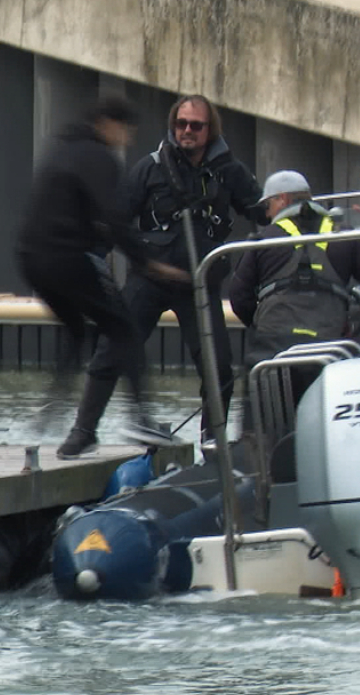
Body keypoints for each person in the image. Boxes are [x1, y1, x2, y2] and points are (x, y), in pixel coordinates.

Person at [58, 94, 265, 457]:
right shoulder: (149, 168)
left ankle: (213, 441)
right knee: (110, 350)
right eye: (181, 124)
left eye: (196, 125)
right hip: (149, 278)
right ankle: (83, 431)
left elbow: (263, 212)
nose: (187, 131)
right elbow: (114, 221)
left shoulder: (229, 172)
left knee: (218, 365)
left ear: (210, 130)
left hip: (198, 283)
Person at [15, 96, 189, 456]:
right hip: (67, 257)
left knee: (75, 329)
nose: (126, 140)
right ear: (109, 124)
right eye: (126, 131)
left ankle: (55, 406)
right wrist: (147, 262)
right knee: (124, 330)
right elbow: (114, 217)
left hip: (31, 259)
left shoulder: (60, 150)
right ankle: (140, 418)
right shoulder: (98, 156)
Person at [228, 170, 360, 392]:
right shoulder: (344, 235)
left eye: (268, 205)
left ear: (282, 199)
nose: (267, 213)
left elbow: (238, 296)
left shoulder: (264, 240)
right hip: (329, 353)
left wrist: (260, 326)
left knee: (263, 401)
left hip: (273, 354)